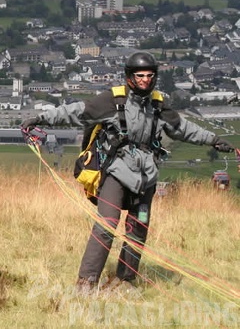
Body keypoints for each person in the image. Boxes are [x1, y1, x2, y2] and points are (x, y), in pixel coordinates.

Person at [21, 51, 235, 292]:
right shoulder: (113, 100)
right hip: (116, 173)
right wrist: (39, 118)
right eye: (140, 75)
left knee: (138, 228)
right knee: (107, 225)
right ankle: (86, 282)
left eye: (149, 75)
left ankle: (125, 281)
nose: (145, 80)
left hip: (146, 179)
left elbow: (183, 128)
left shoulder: (159, 105)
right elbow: (76, 111)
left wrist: (215, 140)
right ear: (130, 77)